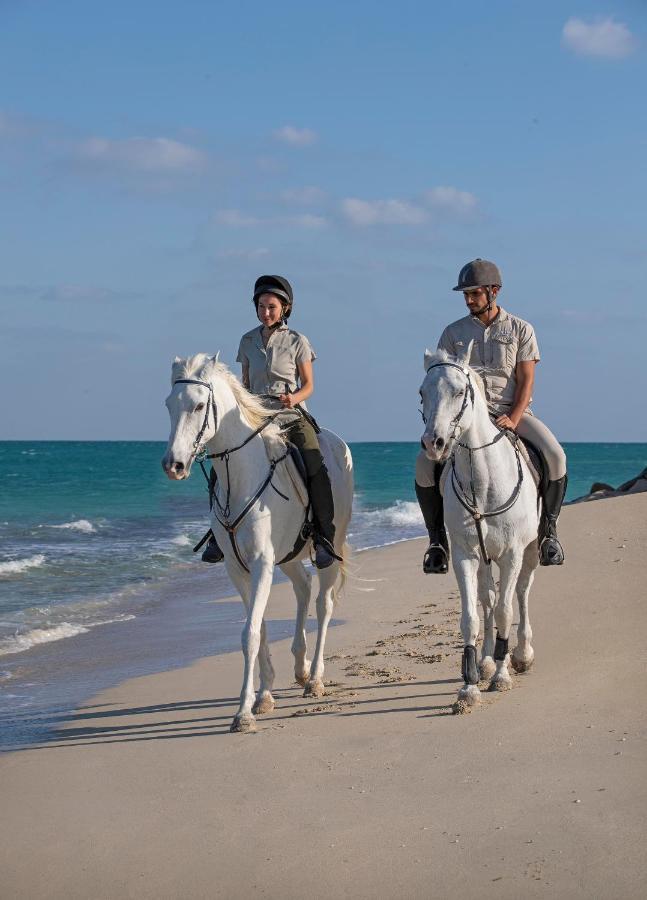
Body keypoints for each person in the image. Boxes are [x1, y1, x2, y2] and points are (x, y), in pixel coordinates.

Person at [415, 258, 568, 573]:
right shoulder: (452, 333)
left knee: (555, 456)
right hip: (465, 419)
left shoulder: (521, 329)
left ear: (494, 291)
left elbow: (526, 381)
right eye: (466, 295)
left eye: (475, 293)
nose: (469, 300)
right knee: (423, 467)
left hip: (511, 412)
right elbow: (444, 382)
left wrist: (513, 417)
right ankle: (437, 543)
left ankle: (548, 534)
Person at [201, 274, 338, 570]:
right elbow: (246, 383)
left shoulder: (297, 341)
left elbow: (309, 385)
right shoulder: (247, 341)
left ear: (285, 308)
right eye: (261, 306)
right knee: (220, 461)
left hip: (289, 414)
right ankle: (217, 533)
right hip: (254, 413)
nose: (266, 312)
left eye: (272, 307)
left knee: (314, 462)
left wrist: (294, 399)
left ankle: (323, 536)